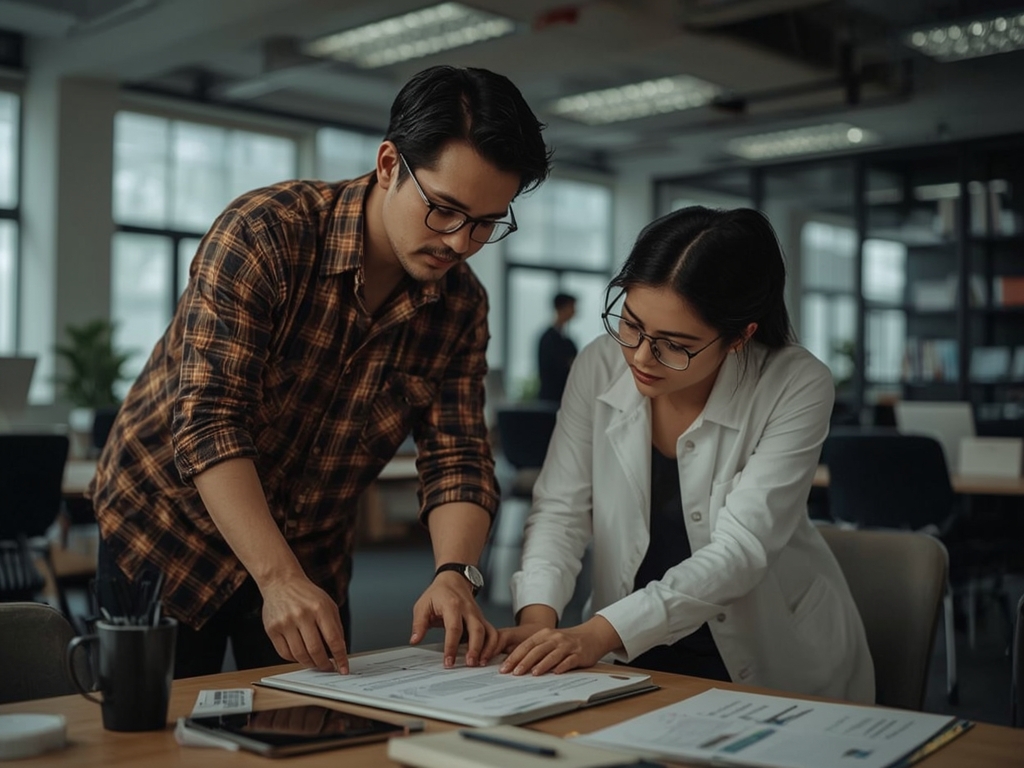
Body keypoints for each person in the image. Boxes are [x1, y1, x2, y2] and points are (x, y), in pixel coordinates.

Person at [89, 65, 551, 678]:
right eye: (445, 210)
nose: (462, 243)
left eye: (487, 222)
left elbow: (457, 455)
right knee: (153, 725)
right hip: (167, 533)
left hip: (312, 555)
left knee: (311, 722)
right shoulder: (265, 234)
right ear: (389, 164)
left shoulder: (460, 306)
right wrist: (275, 577)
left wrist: (455, 574)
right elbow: (209, 421)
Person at [499, 206, 874, 703]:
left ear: (740, 336)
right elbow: (561, 508)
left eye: (674, 345)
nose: (640, 357)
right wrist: (538, 617)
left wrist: (597, 633)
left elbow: (740, 550)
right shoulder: (598, 364)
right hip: (622, 648)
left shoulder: (795, 383)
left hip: (763, 657)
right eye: (631, 324)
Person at [537, 292, 578, 402]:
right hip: (552, 398)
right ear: (561, 308)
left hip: (564, 396)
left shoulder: (568, 340)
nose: (574, 311)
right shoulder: (548, 339)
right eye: (571, 307)